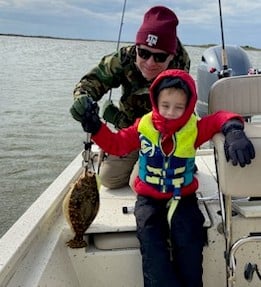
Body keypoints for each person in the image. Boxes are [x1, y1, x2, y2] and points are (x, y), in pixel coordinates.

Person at [71, 69, 255, 287]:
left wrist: (233, 130)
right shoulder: (142, 126)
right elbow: (116, 144)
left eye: (179, 107)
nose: (170, 112)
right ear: (155, 101)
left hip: (184, 199)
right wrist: (95, 127)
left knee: (190, 248)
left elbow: (219, 118)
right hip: (149, 201)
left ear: (189, 106)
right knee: (152, 252)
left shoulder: (194, 128)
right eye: (165, 105)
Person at [70, 5, 190, 189]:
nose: (150, 63)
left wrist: (117, 119)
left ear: (171, 57)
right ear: (137, 48)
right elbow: (91, 81)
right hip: (130, 132)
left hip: (163, 134)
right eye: (144, 53)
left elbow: (175, 115)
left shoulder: (180, 65)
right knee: (109, 179)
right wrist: (82, 100)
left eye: (159, 57)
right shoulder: (124, 58)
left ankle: (179, 161)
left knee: (140, 182)